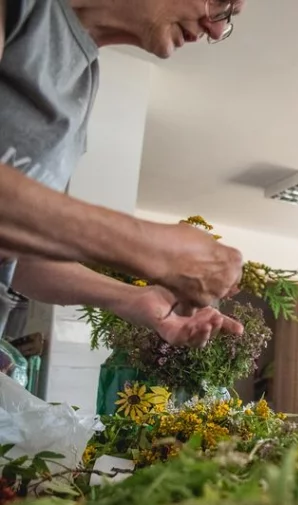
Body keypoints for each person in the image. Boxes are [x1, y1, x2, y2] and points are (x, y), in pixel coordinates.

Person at [0, 0, 247, 349]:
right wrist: (149, 249)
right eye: (222, 4)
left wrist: (129, 298)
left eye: (227, 19)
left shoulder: (83, 83)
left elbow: (16, 252)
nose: (217, 28)